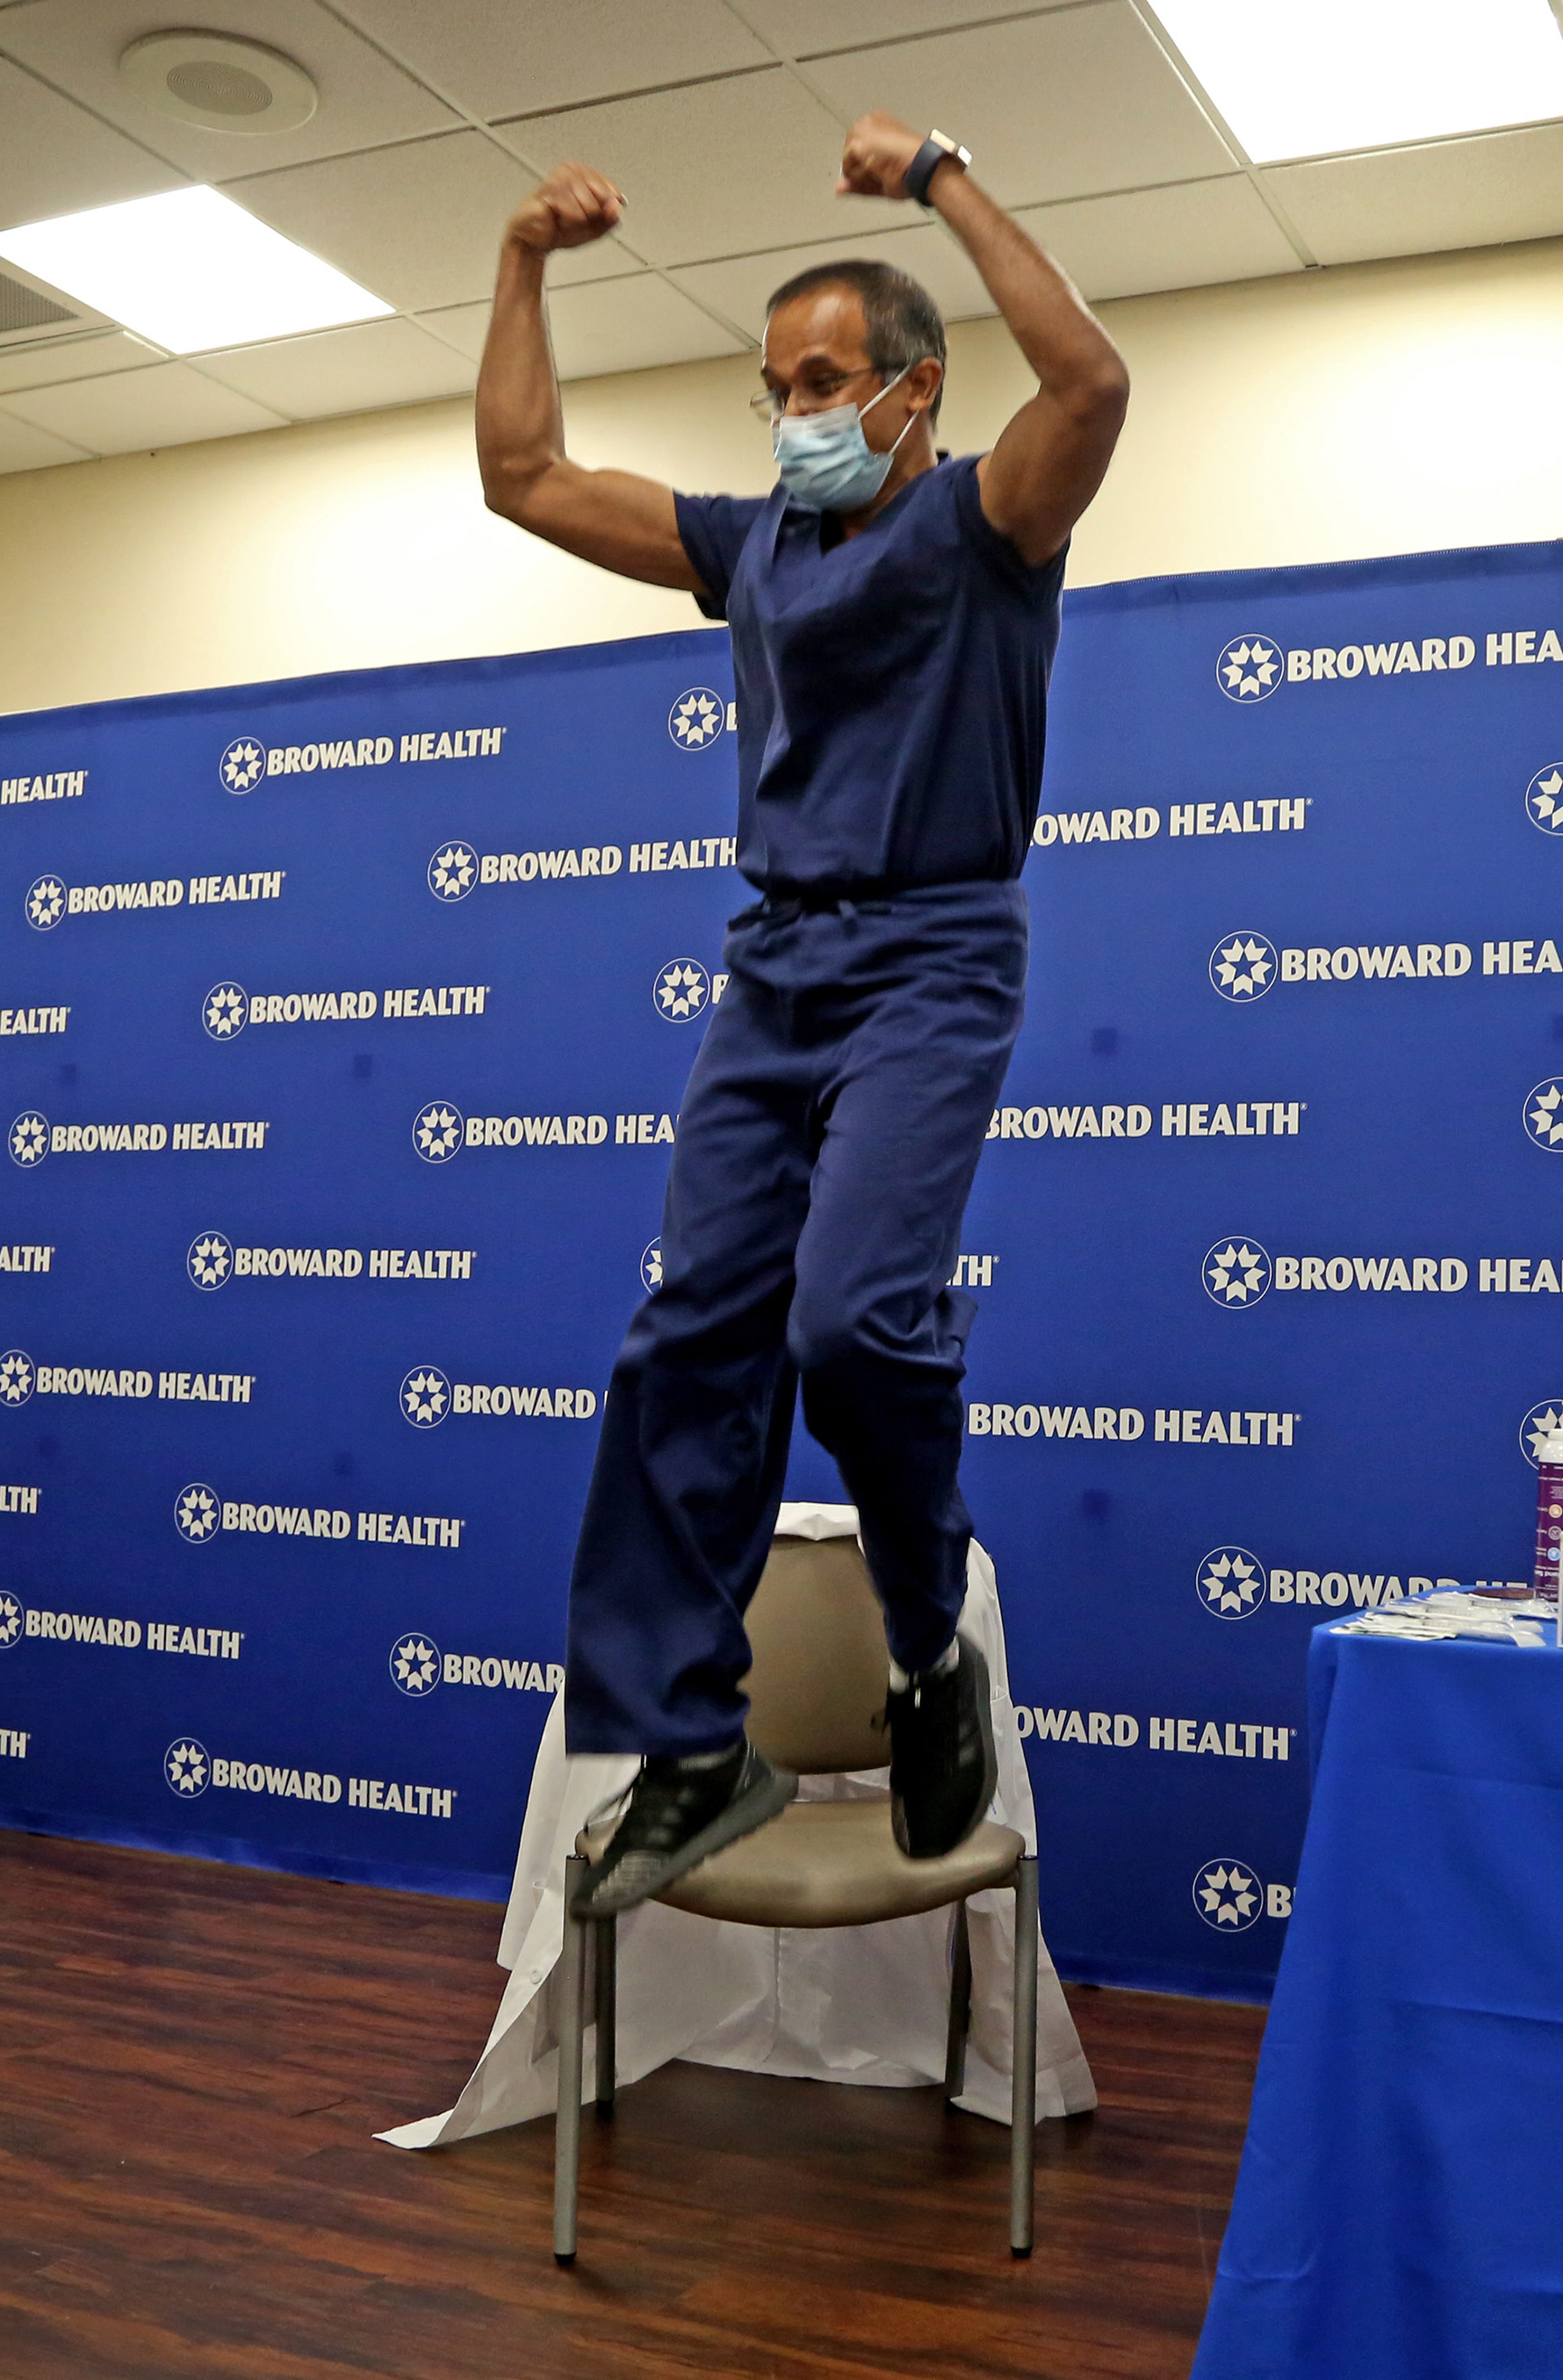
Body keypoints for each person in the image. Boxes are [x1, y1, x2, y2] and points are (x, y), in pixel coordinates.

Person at [475, 116, 1128, 1916]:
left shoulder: (991, 519)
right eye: (776, 386)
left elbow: (1093, 375)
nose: (797, 412)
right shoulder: (747, 543)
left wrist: (941, 176)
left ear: (917, 393)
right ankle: (691, 1743)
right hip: (774, 962)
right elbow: (523, 472)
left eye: (829, 380)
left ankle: (932, 1642)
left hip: (934, 951)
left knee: (852, 1324)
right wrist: (521, 260)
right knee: (689, 1339)